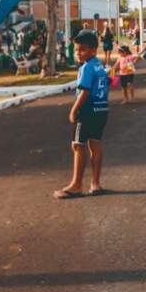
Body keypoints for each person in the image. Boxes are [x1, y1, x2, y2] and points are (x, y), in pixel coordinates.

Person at [53, 31, 109, 199]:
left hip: (87, 110)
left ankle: (76, 185)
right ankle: (95, 183)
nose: (78, 53)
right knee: (95, 144)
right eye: (76, 50)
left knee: (78, 145)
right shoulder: (99, 66)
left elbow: (84, 91)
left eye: (82, 50)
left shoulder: (86, 67)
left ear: (93, 50)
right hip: (102, 110)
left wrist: (74, 109)